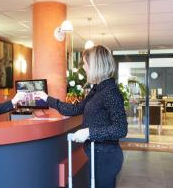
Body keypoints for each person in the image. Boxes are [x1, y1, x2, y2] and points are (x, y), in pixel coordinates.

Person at [35, 45, 128, 188]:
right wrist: (46, 98)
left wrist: (90, 132)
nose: (84, 68)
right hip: (95, 152)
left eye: (85, 63)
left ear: (96, 65)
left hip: (106, 156)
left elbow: (121, 129)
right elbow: (75, 109)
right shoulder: (97, 90)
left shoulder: (110, 92)